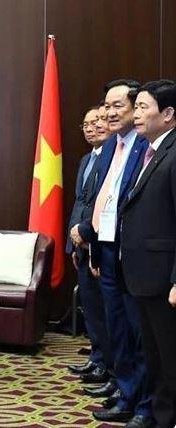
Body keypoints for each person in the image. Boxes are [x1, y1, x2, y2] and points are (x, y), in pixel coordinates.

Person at [72, 79, 153, 428]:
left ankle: (143, 402)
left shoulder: (145, 146)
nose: (108, 112)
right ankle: (125, 390)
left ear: (136, 107)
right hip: (104, 249)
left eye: (117, 105)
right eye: (106, 105)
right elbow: (101, 200)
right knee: (116, 327)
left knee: (138, 332)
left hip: (131, 254)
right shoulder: (110, 148)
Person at [121, 79, 176, 428]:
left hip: (164, 279)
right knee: (155, 355)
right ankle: (160, 415)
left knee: (170, 358)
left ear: (168, 113)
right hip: (143, 275)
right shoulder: (149, 150)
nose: (136, 114)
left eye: (143, 108)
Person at [66, 106, 113, 388]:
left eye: (96, 121)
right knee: (91, 308)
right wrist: (74, 245)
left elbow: (102, 206)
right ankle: (97, 358)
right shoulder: (86, 159)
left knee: (104, 310)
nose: (90, 127)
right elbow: (80, 203)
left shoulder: (111, 159)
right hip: (80, 243)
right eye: (85, 124)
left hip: (96, 241)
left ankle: (107, 364)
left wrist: (88, 240)